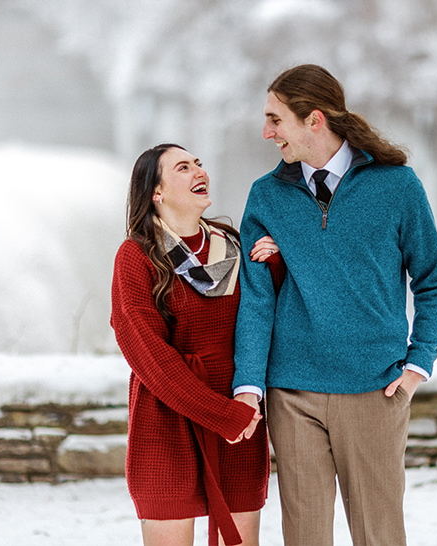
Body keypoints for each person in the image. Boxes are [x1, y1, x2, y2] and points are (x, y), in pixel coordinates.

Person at [232, 64, 437, 545]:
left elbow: (434, 280)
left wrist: (419, 363)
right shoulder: (266, 196)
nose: (266, 132)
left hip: (375, 390)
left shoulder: (396, 186)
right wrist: (248, 384)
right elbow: (256, 299)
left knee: (379, 535)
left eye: (275, 119)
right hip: (292, 392)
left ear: (314, 119)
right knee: (306, 536)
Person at [111, 143, 285, 546]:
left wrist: (274, 267)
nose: (198, 172)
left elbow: (265, 320)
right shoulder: (136, 256)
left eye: (199, 164)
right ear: (156, 192)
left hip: (240, 415)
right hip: (167, 424)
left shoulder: (232, 244)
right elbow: (148, 356)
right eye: (183, 167)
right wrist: (221, 415)